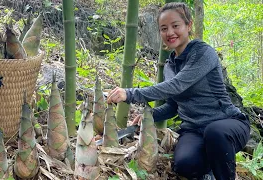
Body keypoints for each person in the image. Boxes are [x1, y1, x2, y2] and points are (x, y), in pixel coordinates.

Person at [107, 2, 250, 180]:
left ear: (188, 25)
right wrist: (150, 116)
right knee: (184, 165)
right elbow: (174, 105)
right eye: (164, 28)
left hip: (227, 124)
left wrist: (130, 94)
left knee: (215, 133)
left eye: (176, 26)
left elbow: (176, 86)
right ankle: (211, 169)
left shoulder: (203, 53)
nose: (170, 33)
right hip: (194, 130)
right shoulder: (170, 65)